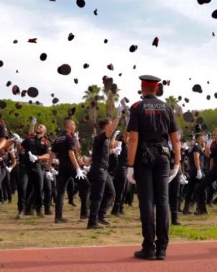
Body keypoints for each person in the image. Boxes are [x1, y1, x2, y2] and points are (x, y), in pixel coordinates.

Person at [126, 75, 181, 260]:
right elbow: (175, 139)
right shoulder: (167, 107)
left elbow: (133, 138)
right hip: (163, 157)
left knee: (147, 202)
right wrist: (177, 163)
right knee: (163, 202)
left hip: (143, 158)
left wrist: (130, 165)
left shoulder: (137, 107)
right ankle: (162, 248)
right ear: (157, 89)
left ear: (142, 89)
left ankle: (149, 248)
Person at [87, 105, 123, 229]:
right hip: (99, 170)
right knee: (98, 196)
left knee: (111, 193)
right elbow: (111, 130)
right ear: (106, 126)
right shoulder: (101, 136)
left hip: (104, 169)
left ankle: (101, 215)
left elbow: (102, 152)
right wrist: (118, 116)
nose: (112, 125)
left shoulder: (105, 139)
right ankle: (92, 222)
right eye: (110, 124)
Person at [51, 118, 85, 223]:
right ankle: (85, 213)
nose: (75, 126)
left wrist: (48, 168)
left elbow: (52, 153)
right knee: (86, 185)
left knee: (60, 192)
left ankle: (58, 217)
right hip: (71, 166)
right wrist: (78, 168)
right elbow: (71, 153)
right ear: (69, 125)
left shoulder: (58, 138)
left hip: (62, 167)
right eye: (74, 124)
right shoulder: (69, 136)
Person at [17, 118, 51, 219]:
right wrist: (19, 142)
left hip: (37, 166)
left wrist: (38, 157)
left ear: (44, 131)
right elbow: (20, 149)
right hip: (25, 166)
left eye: (41, 126)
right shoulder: (29, 139)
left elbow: (48, 156)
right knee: (22, 188)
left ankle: (39, 209)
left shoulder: (45, 142)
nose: (38, 127)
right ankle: (21, 210)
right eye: (38, 126)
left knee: (39, 189)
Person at [182, 133, 205, 215]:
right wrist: (198, 170)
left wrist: (188, 168)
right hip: (196, 170)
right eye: (203, 137)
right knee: (200, 189)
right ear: (200, 138)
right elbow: (196, 157)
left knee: (190, 190)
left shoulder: (192, 147)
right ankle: (200, 208)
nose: (204, 139)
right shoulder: (197, 146)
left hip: (192, 170)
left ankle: (186, 209)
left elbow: (188, 158)